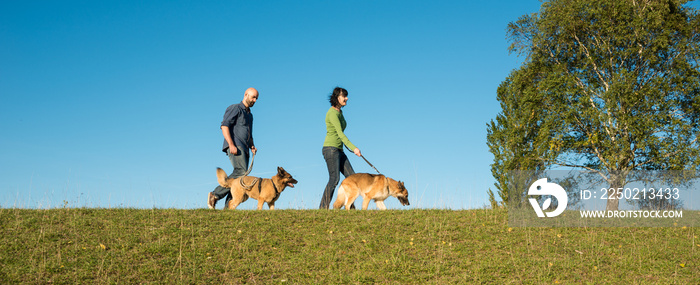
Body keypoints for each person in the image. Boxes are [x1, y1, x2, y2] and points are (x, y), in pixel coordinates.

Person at [208, 87, 259, 209]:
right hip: (236, 145)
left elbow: (249, 133)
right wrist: (231, 144)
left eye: (257, 98)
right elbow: (224, 126)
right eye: (253, 97)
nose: (255, 100)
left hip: (245, 148)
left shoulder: (250, 115)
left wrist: (252, 145)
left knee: (241, 179)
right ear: (246, 95)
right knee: (241, 173)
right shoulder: (235, 108)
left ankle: (228, 208)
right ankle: (215, 195)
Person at [320, 87, 362, 209]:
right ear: (337, 97)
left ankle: (350, 208)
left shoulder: (340, 112)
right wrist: (354, 148)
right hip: (330, 149)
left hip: (339, 150)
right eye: (344, 96)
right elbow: (340, 133)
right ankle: (323, 208)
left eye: (346, 96)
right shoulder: (332, 113)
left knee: (353, 178)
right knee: (334, 179)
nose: (346, 98)